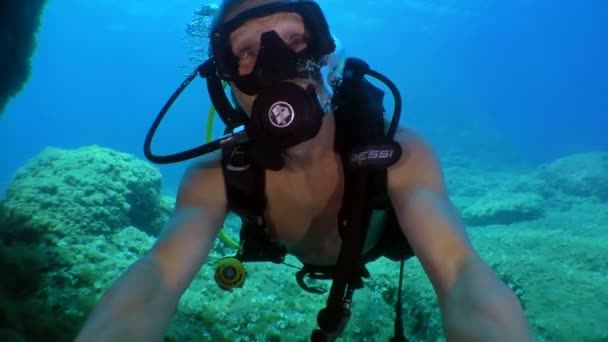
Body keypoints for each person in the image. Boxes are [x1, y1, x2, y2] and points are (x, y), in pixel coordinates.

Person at [77, 0, 531, 341]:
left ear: (328, 58)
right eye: (248, 52)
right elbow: (156, 277)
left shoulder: (398, 153)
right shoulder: (216, 175)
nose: (278, 67)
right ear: (227, 83)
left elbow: (461, 275)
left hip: (373, 246)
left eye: (295, 41)